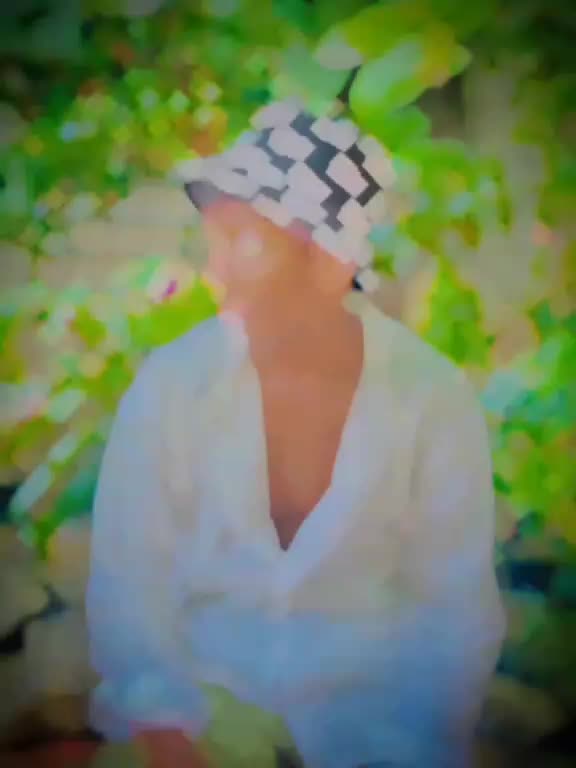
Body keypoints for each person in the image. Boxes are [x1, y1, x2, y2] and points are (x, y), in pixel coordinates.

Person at [86, 99, 506, 768]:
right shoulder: (173, 385)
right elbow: (128, 589)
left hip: (374, 736)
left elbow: (454, 614)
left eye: (248, 243)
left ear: (331, 260)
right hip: (203, 724)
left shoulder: (430, 396)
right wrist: (165, 726)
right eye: (216, 241)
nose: (219, 272)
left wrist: (419, 747)